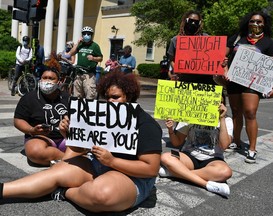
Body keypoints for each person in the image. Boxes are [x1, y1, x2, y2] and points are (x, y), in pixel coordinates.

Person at [0, 72, 162, 213]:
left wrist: (112, 161)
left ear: (130, 96)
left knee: (101, 195)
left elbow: (151, 169)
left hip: (133, 176)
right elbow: (80, 149)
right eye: (107, 98)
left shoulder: (146, 124)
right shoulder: (100, 116)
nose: (110, 101)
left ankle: (66, 192)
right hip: (100, 165)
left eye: (116, 97)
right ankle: (3, 190)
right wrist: (68, 134)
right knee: (57, 171)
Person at [223, 11, 273, 163]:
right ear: (247, 22)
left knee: (250, 113)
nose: (256, 24)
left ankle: (252, 149)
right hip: (234, 80)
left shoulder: (269, 43)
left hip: (253, 83)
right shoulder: (236, 38)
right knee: (235, 112)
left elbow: (272, 68)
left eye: (259, 22)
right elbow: (223, 57)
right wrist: (225, 70)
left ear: (264, 24)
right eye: (253, 21)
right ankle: (237, 141)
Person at [159, 94, 233, 197]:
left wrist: (222, 119)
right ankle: (206, 184)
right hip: (189, 156)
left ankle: (174, 173)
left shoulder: (227, 120)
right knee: (165, 156)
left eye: (220, 102)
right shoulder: (191, 114)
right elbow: (176, 143)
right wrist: (170, 129)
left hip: (213, 159)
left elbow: (224, 145)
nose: (218, 105)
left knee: (226, 172)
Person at [13, 55, 69, 166]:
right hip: (40, 138)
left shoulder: (67, 97)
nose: (47, 81)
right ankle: (67, 160)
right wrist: (32, 130)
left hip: (64, 138)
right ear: (40, 80)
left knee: (87, 147)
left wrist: (69, 124)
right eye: (45, 78)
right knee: (35, 152)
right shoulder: (29, 98)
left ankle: (54, 158)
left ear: (58, 82)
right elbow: (18, 120)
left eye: (51, 78)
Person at [167, 10, 215, 84]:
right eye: (190, 20)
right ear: (185, 21)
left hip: (204, 80)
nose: (192, 23)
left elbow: (214, 57)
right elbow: (172, 60)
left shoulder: (207, 39)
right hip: (184, 79)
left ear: (199, 24)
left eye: (196, 22)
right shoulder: (175, 40)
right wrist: (177, 69)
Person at [69, 26, 103, 99]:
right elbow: (71, 53)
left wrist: (93, 58)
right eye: (84, 34)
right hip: (79, 74)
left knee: (90, 95)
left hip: (89, 74)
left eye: (88, 34)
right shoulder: (81, 45)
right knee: (77, 95)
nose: (86, 35)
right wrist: (77, 43)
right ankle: (78, 109)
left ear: (91, 35)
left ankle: (89, 109)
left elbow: (100, 58)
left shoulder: (95, 46)